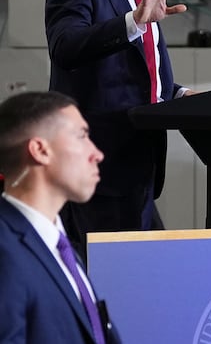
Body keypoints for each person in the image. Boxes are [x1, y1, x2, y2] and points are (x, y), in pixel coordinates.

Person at [45, 0, 192, 257]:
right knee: (110, 282)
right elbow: (66, 47)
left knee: (145, 275)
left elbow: (138, 66)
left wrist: (177, 95)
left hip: (139, 162)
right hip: (99, 162)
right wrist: (133, 22)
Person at [0, 91, 122, 343]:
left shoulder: (58, 244)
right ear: (40, 150)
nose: (97, 154)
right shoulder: (5, 251)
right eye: (82, 136)